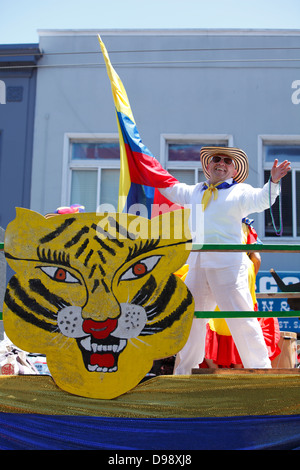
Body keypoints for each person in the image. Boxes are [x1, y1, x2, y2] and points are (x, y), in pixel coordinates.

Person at [158, 146, 291, 374]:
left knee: (242, 319)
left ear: (234, 170)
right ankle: (184, 373)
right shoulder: (196, 191)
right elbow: (169, 188)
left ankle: (261, 370)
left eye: (227, 161)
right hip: (198, 266)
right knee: (191, 320)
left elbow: (262, 200)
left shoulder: (240, 192)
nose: (221, 163)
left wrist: (274, 181)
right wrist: (141, 165)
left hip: (228, 268)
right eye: (216, 159)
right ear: (208, 166)